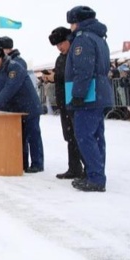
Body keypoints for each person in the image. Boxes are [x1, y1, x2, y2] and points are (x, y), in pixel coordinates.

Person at [65, 6, 114, 192]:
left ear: (77, 22)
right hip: (100, 92)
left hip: (89, 95)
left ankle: (95, 178)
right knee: (97, 136)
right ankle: (96, 174)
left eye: (71, 23)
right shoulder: (99, 38)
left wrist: (78, 95)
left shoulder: (83, 39)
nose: (70, 27)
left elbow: (83, 69)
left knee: (85, 136)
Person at [48, 27, 84, 180]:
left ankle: (89, 168)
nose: (60, 47)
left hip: (75, 101)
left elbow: (72, 75)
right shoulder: (61, 57)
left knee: (80, 136)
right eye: (57, 45)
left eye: (62, 43)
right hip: (64, 102)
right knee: (69, 136)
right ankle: (74, 167)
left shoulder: (76, 54)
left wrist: (55, 77)